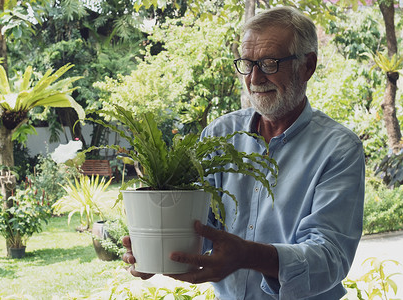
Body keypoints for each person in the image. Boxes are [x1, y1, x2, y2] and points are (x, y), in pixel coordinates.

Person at [123, 6, 365, 300]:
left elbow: (330, 258)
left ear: (307, 66)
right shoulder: (219, 134)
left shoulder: (339, 148)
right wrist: (157, 249)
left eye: (270, 63)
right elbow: (200, 223)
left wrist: (248, 255)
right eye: (247, 63)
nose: (255, 77)